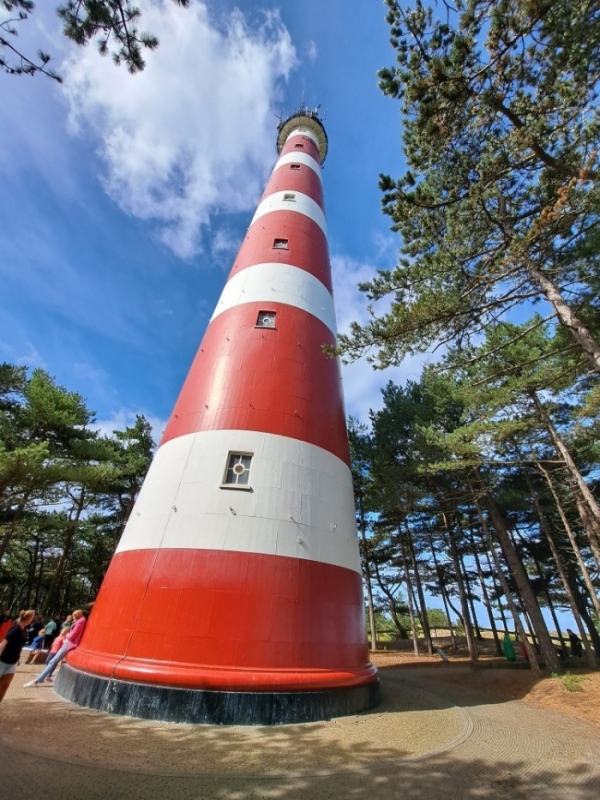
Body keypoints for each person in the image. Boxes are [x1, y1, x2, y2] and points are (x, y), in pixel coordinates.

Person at [24, 609, 86, 687]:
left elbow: (71, 636)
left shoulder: (79, 623)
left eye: (73, 617)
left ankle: (37, 680)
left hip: (69, 644)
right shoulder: (79, 622)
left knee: (53, 661)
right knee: (52, 661)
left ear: (75, 616)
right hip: (69, 643)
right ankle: (40, 678)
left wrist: (66, 635)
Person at [0, 609, 35, 702]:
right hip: (3, 660)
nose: (32, 620)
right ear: (28, 618)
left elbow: (18, 646)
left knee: (5, 685)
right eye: (32, 618)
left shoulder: (23, 629)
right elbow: (4, 642)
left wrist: (18, 657)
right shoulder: (16, 628)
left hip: (13, 662)